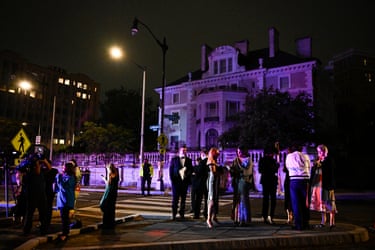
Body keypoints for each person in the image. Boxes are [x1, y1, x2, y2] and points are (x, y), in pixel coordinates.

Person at [309, 144, 337, 229]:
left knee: (329, 202)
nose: (319, 153)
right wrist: (315, 165)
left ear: (324, 151)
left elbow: (329, 171)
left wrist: (320, 163)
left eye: (320, 151)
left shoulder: (329, 160)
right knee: (322, 203)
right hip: (319, 185)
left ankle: (332, 222)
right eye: (318, 152)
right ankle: (323, 221)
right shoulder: (319, 160)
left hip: (327, 185)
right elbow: (313, 171)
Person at [21, 154, 51, 235]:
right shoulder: (29, 173)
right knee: (29, 213)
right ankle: (26, 230)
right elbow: (37, 171)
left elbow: (49, 168)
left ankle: (43, 230)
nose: (39, 166)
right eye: (37, 165)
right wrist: (37, 162)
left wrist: (44, 161)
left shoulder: (41, 172)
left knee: (43, 213)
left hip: (41, 195)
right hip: (32, 195)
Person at [285, 142, 311, 230]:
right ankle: (306, 223)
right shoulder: (306, 156)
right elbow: (309, 167)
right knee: (305, 202)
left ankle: (298, 224)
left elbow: (287, 167)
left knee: (296, 203)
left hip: (294, 180)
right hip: (305, 180)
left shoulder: (289, 156)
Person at [229, 146, 253, 226]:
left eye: (240, 152)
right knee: (237, 200)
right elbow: (232, 171)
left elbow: (248, 171)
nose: (239, 153)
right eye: (238, 152)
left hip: (244, 182)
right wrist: (231, 170)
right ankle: (237, 218)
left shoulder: (248, 160)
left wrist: (239, 171)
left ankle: (245, 219)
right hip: (236, 182)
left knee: (244, 200)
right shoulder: (235, 160)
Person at [169, 145, 193, 220]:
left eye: (185, 150)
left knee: (183, 199)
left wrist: (187, 174)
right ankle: (174, 214)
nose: (184, 152)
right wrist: (172, 181)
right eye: (183, 150)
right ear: (179, 151)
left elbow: (191, 170)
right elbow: (171, 171)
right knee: (175, 199)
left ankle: (182, 214)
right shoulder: (174, 159)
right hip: (176, 183)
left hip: (184, 183)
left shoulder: (189, 160)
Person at [55, 162, 76, 241]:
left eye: (63, 167)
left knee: (64, 218)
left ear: (67, 168)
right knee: (64, 217)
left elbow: (63, 187)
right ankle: (65, 232)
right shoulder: (66, 176)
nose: (62, 169)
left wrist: (59, 177)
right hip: (63, 200)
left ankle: (65, 234)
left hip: (65, 200)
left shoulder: (70, 177)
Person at [258, 146, 279, 224]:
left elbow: (260, 170)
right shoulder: (272, 161)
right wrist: (275, 167)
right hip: (270, 180)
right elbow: (273, 170)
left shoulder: (263, 160)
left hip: (266, 180)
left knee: (266, 199)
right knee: (271, 199)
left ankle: (265, 215)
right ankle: (269, 216)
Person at [206, 147, 223, 228]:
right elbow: (214, 172)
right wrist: (220, 169)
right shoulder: (210, 162)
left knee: (215, 200)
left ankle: (214, 216)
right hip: (212, 181)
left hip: (216, 181)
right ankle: (208, 218)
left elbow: (219, 172)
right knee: (211, 200)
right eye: (217, 154)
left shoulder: (215, 162)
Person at [100, 163, 119, 229]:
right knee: (112, 208)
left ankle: (106, 223)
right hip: (114, 193)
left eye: (107, 168)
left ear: (109, 168)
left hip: (109, 192)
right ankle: (111, 223)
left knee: (104, 206)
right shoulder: (116, 174)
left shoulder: (110, 174)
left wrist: (103, 179)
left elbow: (108, 184)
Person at [190, 149, 208, 219]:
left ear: (202, 155)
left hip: (200, 184)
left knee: (198, 199)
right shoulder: (210, 161)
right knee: (206, 199)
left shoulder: (203, 162)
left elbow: (198, 171)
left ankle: (197, 214)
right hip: (207, 183)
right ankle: (206, 212)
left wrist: (194, 172)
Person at [283, 147, 293, 224]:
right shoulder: (287, 160)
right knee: (287, 199)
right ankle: (289, 216)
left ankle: (291, 215)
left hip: (291, 180)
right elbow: (284, 169)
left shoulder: (293, 160)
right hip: (288, 181)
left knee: (291, 199)